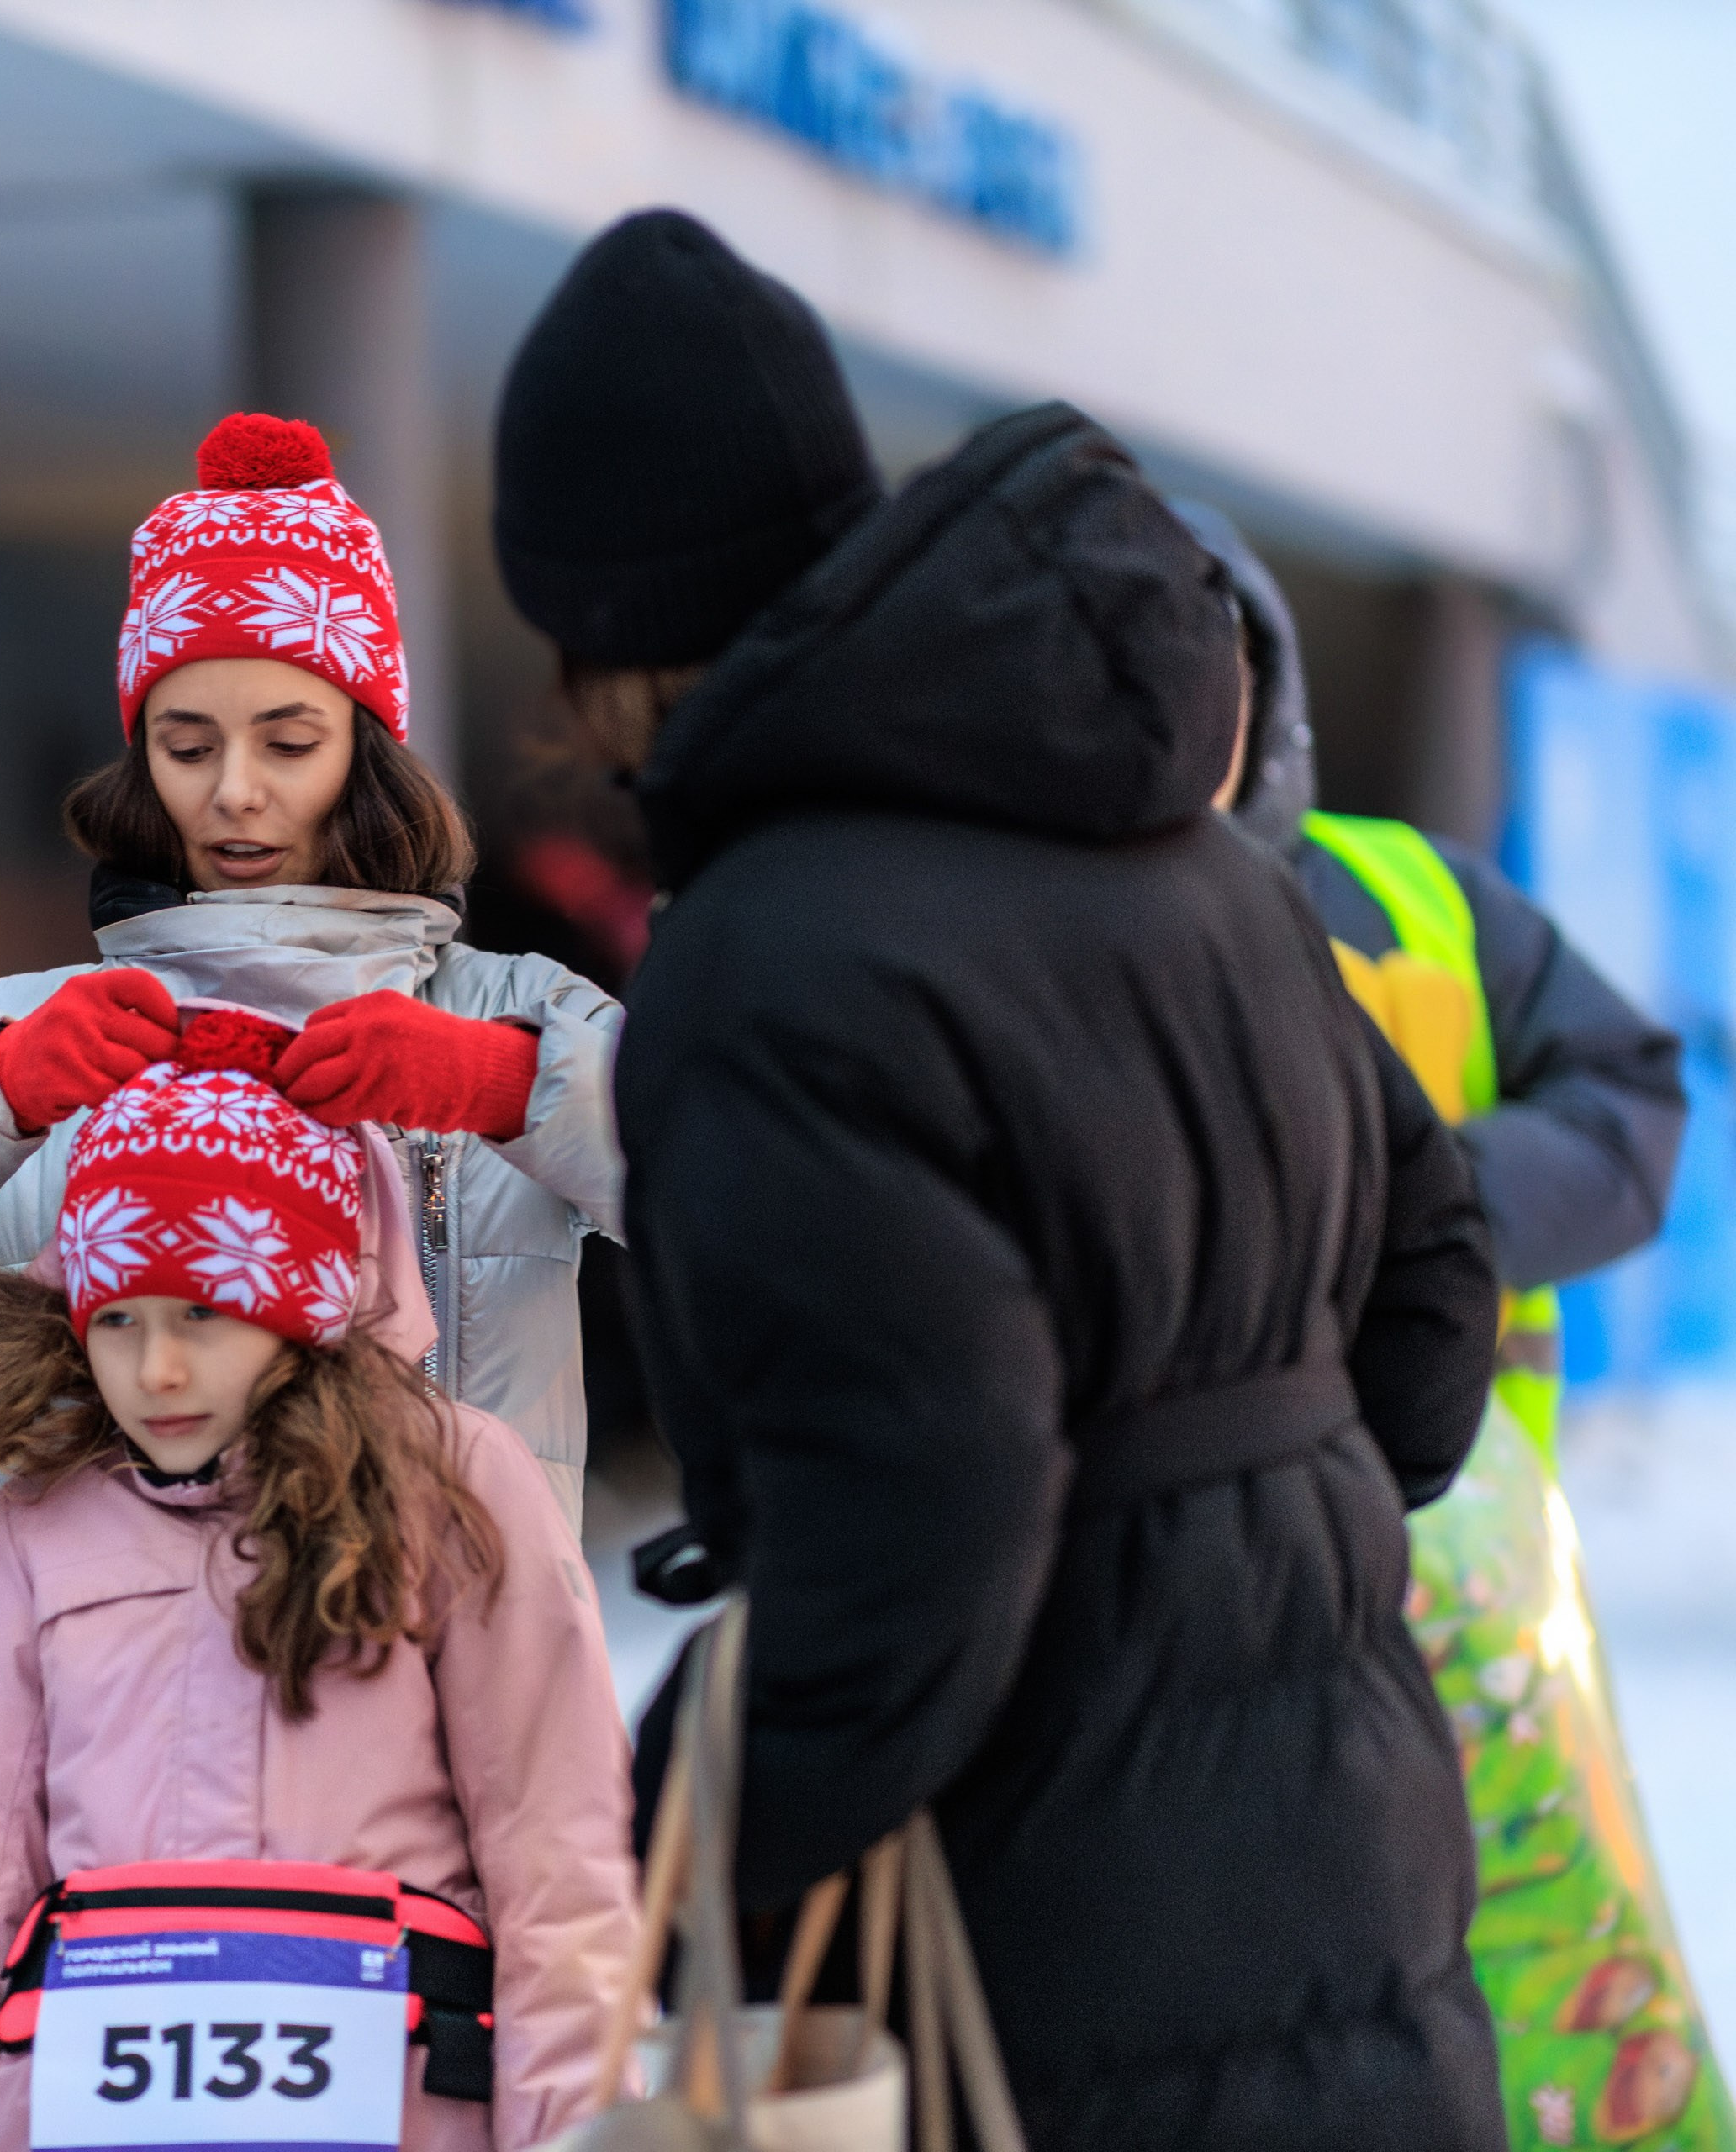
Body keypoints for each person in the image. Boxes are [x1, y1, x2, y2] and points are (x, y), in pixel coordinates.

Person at [492, 208, 1506, 2149]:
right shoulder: (1197, 859)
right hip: (1352, 1844)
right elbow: (1434, 1266)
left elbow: (925, 1497)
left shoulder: (766, 954)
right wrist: (1250, 1539)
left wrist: (703, 1825)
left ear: (589, 631)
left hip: (1053, 1931)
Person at [0, 413, 621, 1527]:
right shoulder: (22, 1038)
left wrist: (515, 1091)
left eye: (288, 743)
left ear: (368, 755)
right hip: (116, 1698)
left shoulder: (517, 1016)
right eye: (186, 747)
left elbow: (769, 1218)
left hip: (456, 1678)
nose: (233, 790)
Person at [0, 1006, 638, 2152]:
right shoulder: (43, 1528)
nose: (155, 1369)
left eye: (205, 1313)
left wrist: (581, 2134)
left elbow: (559, 1862)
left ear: (299, 1301)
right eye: (115, 1320)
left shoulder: (451, 1484)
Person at [1179, 502, 1734, 2152]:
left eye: (1203, 661)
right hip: (1207, 1611)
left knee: (1529, 2002)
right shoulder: (1060, 928)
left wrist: (1423, 1216)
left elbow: (1632, 1097)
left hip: (1481, 1614)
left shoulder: (1416, 896)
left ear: (1261, 677)